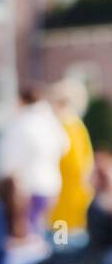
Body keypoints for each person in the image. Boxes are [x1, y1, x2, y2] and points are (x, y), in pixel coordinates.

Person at [0, 86, 69, 233]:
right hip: (50, 185)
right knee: (39, 226)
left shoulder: (21, 123)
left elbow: (9, 157)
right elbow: (64, 147)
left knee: (27, 231)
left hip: (26, 186)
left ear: (21, 100)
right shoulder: (50, 121)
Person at [48, 77, 94, 233]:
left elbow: (75, 165)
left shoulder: (66, 126)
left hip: (66, 197)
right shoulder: (76, 125)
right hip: (75, 196)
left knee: (62, 244)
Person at [0, 176, 50, 264]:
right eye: (18, 190)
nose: (22, 194)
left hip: (6, 261)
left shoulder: (8, 210)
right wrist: (27, 242)